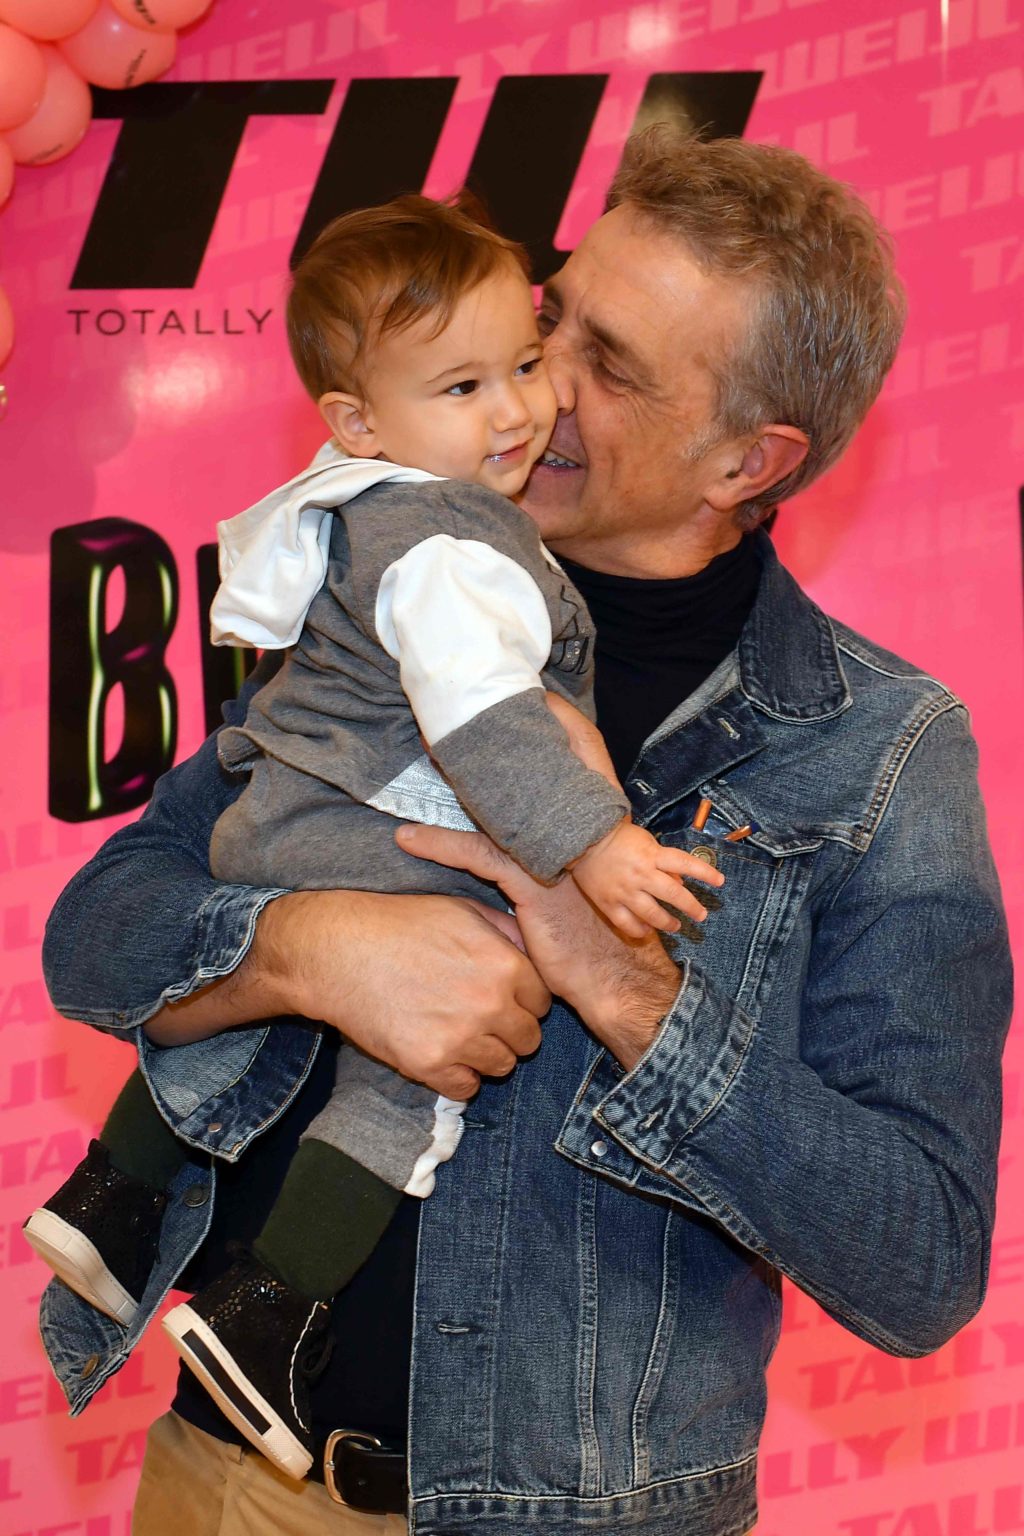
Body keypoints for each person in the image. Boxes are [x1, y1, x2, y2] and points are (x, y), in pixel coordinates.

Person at [39, 127, 1011, 1536]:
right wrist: (305, 950)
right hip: (227, 1485)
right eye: (555, 313)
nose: (534, 379)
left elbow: (918, 1263)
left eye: (609, 365)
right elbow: (94, 939)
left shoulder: (876, 749)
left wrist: (623, 988)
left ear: (748, 458)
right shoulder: (390, 581)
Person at [24, 194, 723, 1481]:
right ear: (357, 421)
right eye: (466, 385)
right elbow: (485, 722)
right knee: (422, 1055)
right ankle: (272, 1308)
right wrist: (597, 845)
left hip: (284, 822)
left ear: (749, 459)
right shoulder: (460, 548)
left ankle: (113, 1198)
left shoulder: (365, 503)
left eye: (527, 362)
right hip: (371, 838)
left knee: (273, 1013)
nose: (527, 407)